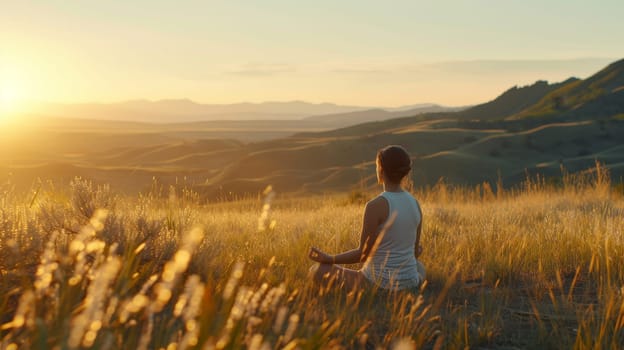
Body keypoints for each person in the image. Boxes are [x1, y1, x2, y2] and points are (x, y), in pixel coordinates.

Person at [308, 145, 425, 291]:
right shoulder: (415, 203)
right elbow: (415, 253)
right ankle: (407, 284)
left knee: (316, 270)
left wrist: (329, 258)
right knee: (419, 267)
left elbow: (362, 254)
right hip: (411, 281)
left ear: (381, 170)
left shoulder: (375, 206)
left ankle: (380, 290)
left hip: (378, 284)